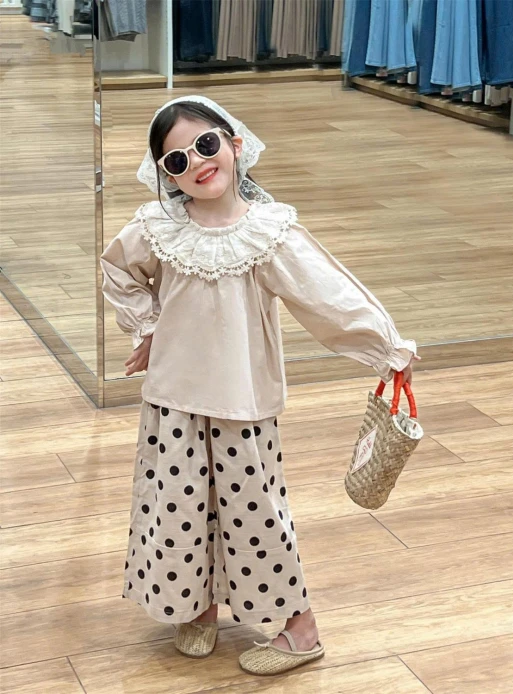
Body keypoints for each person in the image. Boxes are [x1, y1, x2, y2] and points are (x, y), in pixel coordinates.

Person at [100, 95, 419, 676]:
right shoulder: (157, 228)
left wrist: (386, 347)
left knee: (256, 514)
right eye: (177, 160)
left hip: (242, 404)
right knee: (177, 507)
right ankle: (196, 606)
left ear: (235, 144)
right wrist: (146, 327)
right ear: (166, 176)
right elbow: (117, 268)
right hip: (172, 400)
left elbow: (327, 295)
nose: (198, 163)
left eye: (205, 145)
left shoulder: (269, 232)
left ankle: (301, 629)